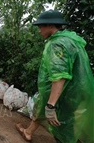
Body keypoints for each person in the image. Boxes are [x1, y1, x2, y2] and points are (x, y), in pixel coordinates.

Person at [16, 10, 94, 143]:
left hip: (62, 93)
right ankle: (28, 132)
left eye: (41, 27)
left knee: (61, 125)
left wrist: (51, 105)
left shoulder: (57, 45)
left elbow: (59, 76)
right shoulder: (70, 40)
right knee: (53, 115)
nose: (39, 30)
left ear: (51, 26)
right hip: (74, 92)